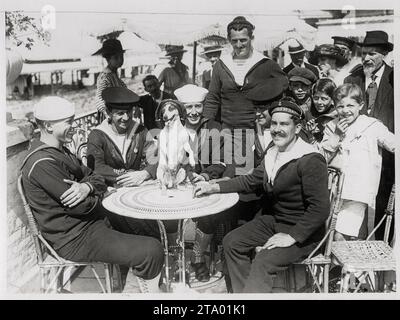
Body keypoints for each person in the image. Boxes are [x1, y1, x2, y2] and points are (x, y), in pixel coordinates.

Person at [21, 96, 164, 293]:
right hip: (75, 237)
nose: (75, 127)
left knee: (147, 226)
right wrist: (99, 194)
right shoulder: (43, 163)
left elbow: (94, 176)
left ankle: (137, 281)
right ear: (48, 126)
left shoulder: (60, 151)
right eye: (69, 122)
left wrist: (87, 188)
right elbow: (81, 206)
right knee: (151, 250)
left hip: (89, 223)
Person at [194, 98, 330, 293]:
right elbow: (249, 181)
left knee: (264, 260)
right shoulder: (274, 152)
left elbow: (320, 209)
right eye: (274, 123)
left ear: (298, 128)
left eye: (284, 124)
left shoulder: (309, 159)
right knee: (231, 242)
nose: (276, 129)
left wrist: (292, 236)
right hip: (276, 221)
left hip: (304, 233)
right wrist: (213, 187)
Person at [203, 16, 288, 176]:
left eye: (243, 40)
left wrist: (267, 105)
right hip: (226, 130)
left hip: (254, 131)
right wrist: (207, 125)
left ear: (252, 38)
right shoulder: (222, 64)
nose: (239, 45)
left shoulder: (265, 64)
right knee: (223, 173)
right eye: (234, 41)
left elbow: (283, 84)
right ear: (229, 40)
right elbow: (213, 98)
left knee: (246, 178)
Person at [318, 83, 394, 241]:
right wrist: (337, 135)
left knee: (341, 234)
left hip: (358, 191)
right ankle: (340, 264)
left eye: (350, 105)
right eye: (340, 106)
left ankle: (340, 264)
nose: (345, 111)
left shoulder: (371, 126)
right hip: (334, 190)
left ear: (360, 105)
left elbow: (394, 144)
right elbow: (322, 158)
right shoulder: (331, 126)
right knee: (330, 234)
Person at [87, 87, 160, 239]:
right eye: (119, 113)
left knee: (155, 212)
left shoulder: (140, 130)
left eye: (129, 112)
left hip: (135, 189)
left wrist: (146, 173)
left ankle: (155, 251)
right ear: (108, 112)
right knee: (136, 223)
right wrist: (128, 175)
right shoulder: (97, 135)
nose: (126, 118)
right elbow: (96, 168)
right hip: (109, 191)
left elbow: (155, 158)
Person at [171, 84, 227, 282]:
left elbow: (221, 162)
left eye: (198, 106)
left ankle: (197, 257)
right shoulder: (173, 129)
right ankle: (175, 260)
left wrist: (204, 176)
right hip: (180, 186)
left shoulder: (215, 127)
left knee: (211, 210)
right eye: (188, 107)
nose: (194, 112)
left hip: (205, 182)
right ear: (181, 109)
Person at [344, 30, 394, 240]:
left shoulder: (395, 79)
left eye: (372, 53)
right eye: (364, 53)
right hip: (358, 156)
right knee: (354, 212)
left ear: (384, 54)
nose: (366, 58)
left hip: (388, 157)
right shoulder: (352, 78)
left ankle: (382, 257)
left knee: (385, 208)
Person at [92, 39, 127, 121]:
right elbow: (99, 98)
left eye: (121, 56)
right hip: (110, 117)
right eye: (116, 58)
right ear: (108, 59)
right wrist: (108, 114)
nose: (120, 60)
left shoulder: (114, 75)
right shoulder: (105, 77)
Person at [305, 78, 337, 143]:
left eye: (324, 99)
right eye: (316, 98)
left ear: (332, 99)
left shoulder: (337, 115)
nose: (319, 102)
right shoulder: (308, 113)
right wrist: (309, 133)